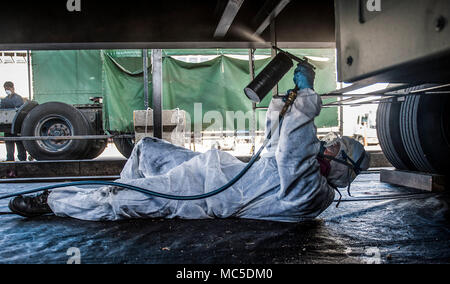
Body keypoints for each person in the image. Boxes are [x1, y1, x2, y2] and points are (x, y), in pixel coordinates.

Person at [8, 66, 370, 221]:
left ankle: (55, 202)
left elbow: (292, 147)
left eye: (337, 146)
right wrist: (283, 103)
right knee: (146, 148)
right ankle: (128, 195)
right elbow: (278, 141)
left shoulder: (313, 193)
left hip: (202, 194)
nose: (329, 143)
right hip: (208, 170)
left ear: (344, 169)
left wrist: (307, 95)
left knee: (118, 199)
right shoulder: (307, 170)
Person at [1, 81, 27, 162]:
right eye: (5, 89)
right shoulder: (5, 99)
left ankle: (22, 159)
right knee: (9, 142)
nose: (6, 90)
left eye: (8, 88)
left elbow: (18, 109)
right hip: (7, 124)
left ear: (12, 88)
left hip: (16, 124)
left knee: (19, 142)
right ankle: (10, 158)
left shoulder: (18, 98)